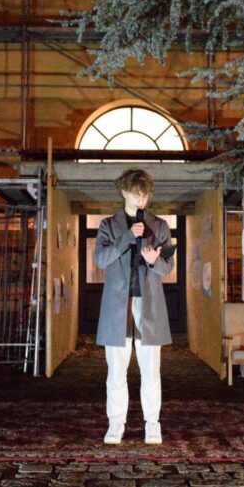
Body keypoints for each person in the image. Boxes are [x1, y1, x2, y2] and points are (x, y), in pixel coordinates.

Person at [93, 169, 174, 445]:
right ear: (124, 192)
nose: (142, 200)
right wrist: (127, 236)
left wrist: (154, 261)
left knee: (151, 371)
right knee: (116, 372)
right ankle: (116, 424)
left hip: (149, 304)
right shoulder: (108, 225)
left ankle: (153, 424)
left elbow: (167, 266)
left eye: (145, 194)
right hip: (117, 306)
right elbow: (101, 259)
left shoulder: (159, 226)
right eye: (137, 194)